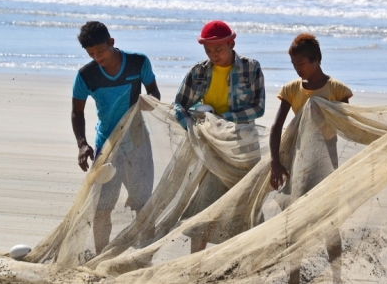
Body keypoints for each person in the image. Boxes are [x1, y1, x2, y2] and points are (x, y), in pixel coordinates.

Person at [172, 20, 265, 252]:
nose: (213, 55)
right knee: (204, 206)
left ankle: (244, 262)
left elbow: (258, 108)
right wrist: (192, 128)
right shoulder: (198, 72)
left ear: (232, 43)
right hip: (212, 146)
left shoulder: (251, 68)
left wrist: (223, 117)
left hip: (242, 146)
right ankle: (196, 264)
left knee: (244, 207)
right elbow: (179, 105)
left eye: (218, 49)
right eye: (208, 50)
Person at [70, 21, 161, 254]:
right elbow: (77, 112)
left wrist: (148, 104)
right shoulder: (86, 76)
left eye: (100, 51)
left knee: (143, 203)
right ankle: (101, 255)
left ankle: (145, 255)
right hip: (107, 148)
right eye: (91, 54)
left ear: (111, 42)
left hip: (138, 143)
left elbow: (154, 93)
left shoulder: (138, 62)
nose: (97, 57)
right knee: (102, 207)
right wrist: (82, 144)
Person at [269, 33, 352, 284]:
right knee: (295, 222)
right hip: (299, 161)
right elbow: (276, 128)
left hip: (327, 162)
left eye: (301, 63)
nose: (297, 69)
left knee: (329, 222)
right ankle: (294, 277)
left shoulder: (336, 90)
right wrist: (275, 162)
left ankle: (337, 276)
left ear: (316, 60)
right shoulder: (292, 90)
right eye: (294, 65)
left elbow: (349, 124)